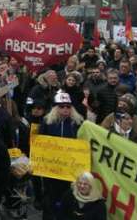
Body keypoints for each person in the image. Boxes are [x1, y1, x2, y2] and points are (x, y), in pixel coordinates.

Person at [39, 90, 84, 220]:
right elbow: (40, 143)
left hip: (69, 167)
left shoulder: (77, 123)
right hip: (51, 167)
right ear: (56, 108)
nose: (65, 109)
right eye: (61, 106)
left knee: (68, 195)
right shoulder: (47, 122)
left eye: (68, 107)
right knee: (50, 195)